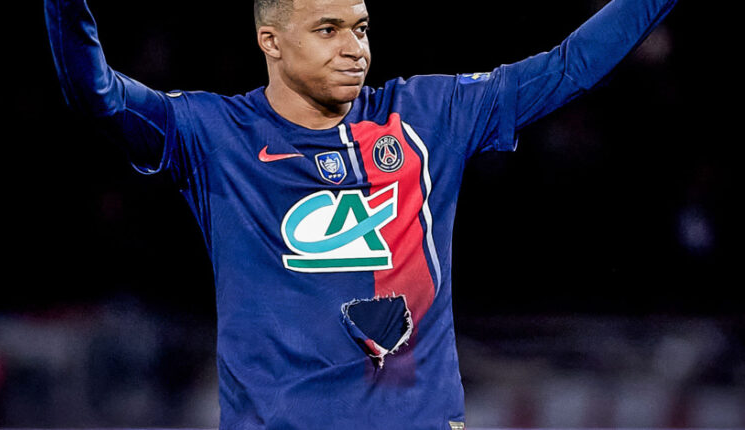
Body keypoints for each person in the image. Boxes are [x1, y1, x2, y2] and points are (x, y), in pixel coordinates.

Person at [45, 0, 678, 428]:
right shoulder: (212, 133)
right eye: (329, 30)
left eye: (362, 28)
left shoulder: (429, 117)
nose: (355, 49)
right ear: (271, 41)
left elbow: (570, 66)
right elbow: (97, 94)